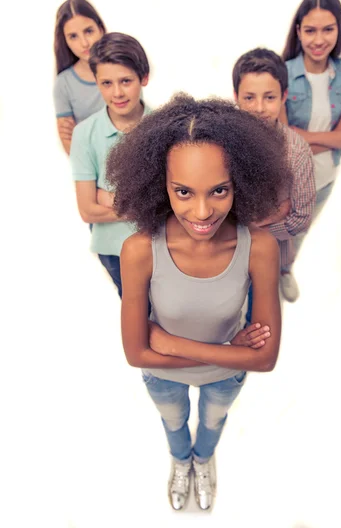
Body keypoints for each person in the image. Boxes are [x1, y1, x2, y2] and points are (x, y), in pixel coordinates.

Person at [105, 94, 291, 511]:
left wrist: (170, 345)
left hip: (215, 376)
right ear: (160, 184)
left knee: (212, 422)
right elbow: (136, 354)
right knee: (173, 423)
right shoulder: (139, 250)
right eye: (183, 191)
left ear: (240, 182)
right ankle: (180, 459)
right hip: (171, 376)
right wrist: (230, 353)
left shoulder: (259, 247)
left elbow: (266, 359)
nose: (203, 211)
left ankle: (203, 460)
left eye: (219, 190)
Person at [280, 0, 341, 274]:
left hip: (326, 180)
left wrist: (304, 138)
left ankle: (284, 271)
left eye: (328, 29)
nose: (319, 40)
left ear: (339, 30)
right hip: (291, 181)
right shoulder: (283, 73)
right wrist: (336, 135)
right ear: (298, 32)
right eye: (310, 30)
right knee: (280, 236)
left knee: (301, 235)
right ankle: (276, 270)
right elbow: (282, 142)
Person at [69, 32, 151, 297]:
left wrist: (108, 198)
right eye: (106, 83)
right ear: (96, 82)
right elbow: (87, 210)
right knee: (139, 317)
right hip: (113, 250)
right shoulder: (84, 134)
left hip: (163, 245)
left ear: (144, 78)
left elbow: (173, 198)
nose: (117, 93)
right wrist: (144, 204)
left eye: (126, 81)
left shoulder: (165, 125)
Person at [233, 47, 315, 303]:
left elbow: (300, 218)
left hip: (271, 248)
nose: (259, 108)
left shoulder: (297, 151)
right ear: (236, 97)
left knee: (262, 302)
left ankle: (283, 272)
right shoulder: (222, 143)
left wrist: (254, 227)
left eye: (269, 97)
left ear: (284, 96)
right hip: (224, 246)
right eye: (249, 98)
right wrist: (278, 210)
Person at [53, 0, 106, 154]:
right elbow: (69, 143)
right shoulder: (64, 83)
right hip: (92, 168)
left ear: (100, 29)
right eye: (73, 36)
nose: (84, 43)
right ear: (65, 41)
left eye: (88, 31)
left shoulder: (122, 68)